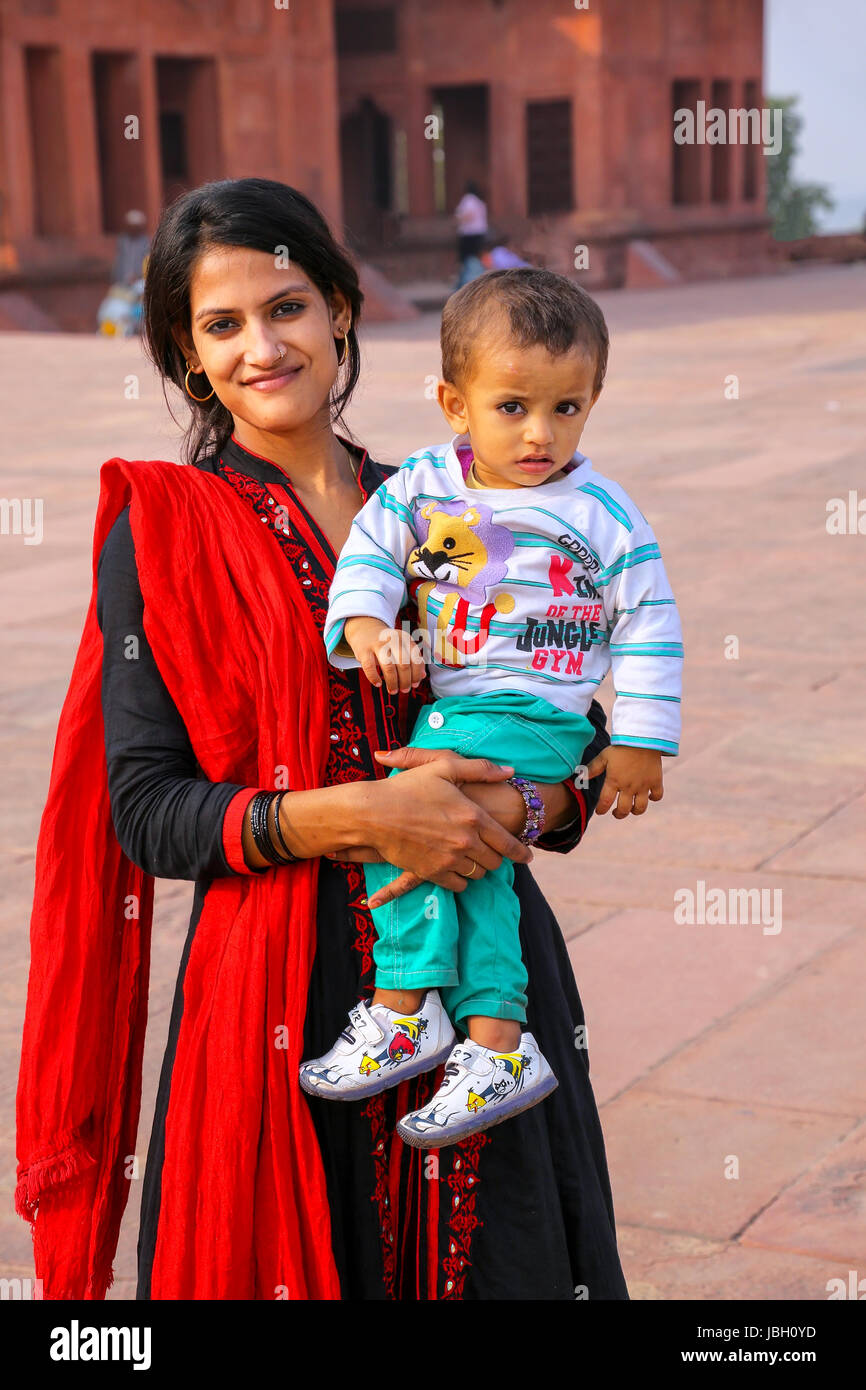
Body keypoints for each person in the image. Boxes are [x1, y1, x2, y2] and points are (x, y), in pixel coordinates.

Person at [15, 178, 629, 1301]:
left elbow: (574, 726)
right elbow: (146, 809)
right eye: (222, 324)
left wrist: (525, 806)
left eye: (287, 306)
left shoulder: (451, 508)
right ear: (187, 354)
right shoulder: (165, 533)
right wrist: (361, 816)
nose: (262, 347)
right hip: (281, 996)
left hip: (486, 978)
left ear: (340, 310)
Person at [302, 269, 683, 1148]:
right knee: (472, 863)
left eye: (566, 407)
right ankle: (492, 1041)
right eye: (512, 407)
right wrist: (368, 626)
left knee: (409, 815)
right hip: (457, 709)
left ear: (592, 401)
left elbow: (650, 621)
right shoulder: (424, 484)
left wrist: (640, 738)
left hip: (539, 714)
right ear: (454, 403)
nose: (540, 433)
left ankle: (406, 1005)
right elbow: (369, 554)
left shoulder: (603, 513)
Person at [454, 181, 488, 289]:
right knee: (475, 259)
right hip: (480, 233)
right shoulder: (479, 201)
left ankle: (464, 283)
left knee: (466, 261)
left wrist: (459, 219)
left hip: (469, 234)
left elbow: (468, 215)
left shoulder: (469, 199)